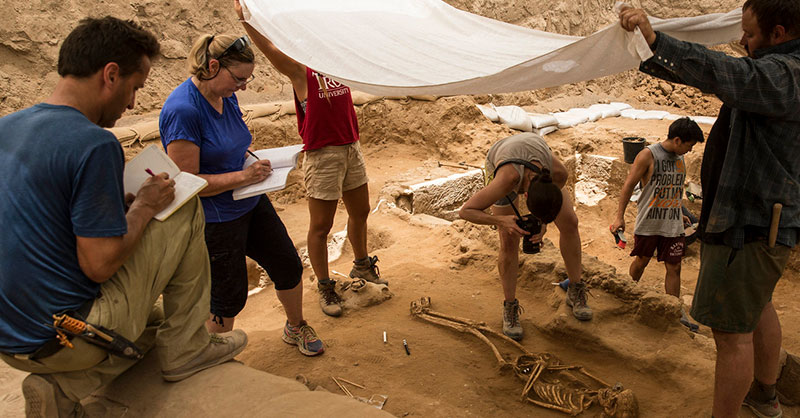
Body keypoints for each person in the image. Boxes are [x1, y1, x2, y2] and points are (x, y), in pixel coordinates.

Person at [0, 17, 247, 416]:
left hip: (12, 341)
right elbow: (99, 265)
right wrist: (146, 206)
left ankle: (64, 390)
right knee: (184, 200)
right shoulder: (93, 142)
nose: (132, 105)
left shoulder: (7, 128)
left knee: (158, 318)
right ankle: (187, 350)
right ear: (110, 75)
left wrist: (125, 205)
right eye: (134, 89)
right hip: (69, 338)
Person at [620, 1, 800, 417]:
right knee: (758, 307)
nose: (742, 40)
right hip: (762, 226)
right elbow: (721, 77)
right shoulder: (778, 72)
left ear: (778, 34)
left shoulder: (785, 74)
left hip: (746, 227)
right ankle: (766, 395)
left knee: (730, 333)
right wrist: (649, 51)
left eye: (750, 34)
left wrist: (656, 41)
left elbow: (727, 74)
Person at [159, 33, 324, 356]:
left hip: (249, 199)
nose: (243, 88)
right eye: (239, 79)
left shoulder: (226, 95)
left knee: (287, 265)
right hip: (216, 218)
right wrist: (243, 176)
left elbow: (233, 142)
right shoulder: (183, 111)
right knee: (227, 296)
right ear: (213, 66)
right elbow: (187, 181)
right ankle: (212, 357)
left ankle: (296, 326)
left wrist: (253, 163)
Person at [234, 0, 386, 318]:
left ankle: (361, 265)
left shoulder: (341, 67)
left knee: (360, 210)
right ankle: (325, 285)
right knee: (321, 226)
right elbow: (271, 50)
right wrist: (247, 21)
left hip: (351, 148)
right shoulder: (302, 73)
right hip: (323, 154)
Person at [459, 132, 593, 341]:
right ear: (526, 195)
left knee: (570, 222)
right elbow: (466, 211)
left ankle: (576, 288)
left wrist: (543, 224)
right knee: (509, 239)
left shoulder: (558, 174)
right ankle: (510, 307)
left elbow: (549, 207)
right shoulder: (506, 179)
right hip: (502, 157)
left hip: (532, 152)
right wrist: (501, 221)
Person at [610, 118, 704, 330]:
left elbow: (673, 188)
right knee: (642, 262)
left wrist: (679, 211)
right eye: (689, 145)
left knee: (675, 267)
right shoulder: (648, 155)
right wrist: (619, 217)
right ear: (678, 140)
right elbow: (628, 185)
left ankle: (674, 312)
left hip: (672, 224)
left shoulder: (680, 160)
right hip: (649, 223)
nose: (690, 150)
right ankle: (628, 294)